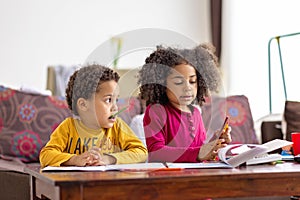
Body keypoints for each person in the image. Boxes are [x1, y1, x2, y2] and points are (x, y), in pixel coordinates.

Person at [137, 43, 231, 163]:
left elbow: (197, 148)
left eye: (192, 81)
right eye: (178, 82)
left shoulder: (196, 112)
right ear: (162, 85)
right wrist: (199, 152)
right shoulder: (156, 111)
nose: (188, 88)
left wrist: (216, 142)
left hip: (196, 174)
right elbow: (155, 152)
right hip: (169, 176)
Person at [40, 64, 148, 167]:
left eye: (116, 100)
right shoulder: (68, 127)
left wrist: (109, 159)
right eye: (108, 100)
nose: (115, 107)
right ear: (83, 104)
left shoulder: (118, 127)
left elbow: (142, 152)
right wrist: (75, 159)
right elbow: (45, 155)